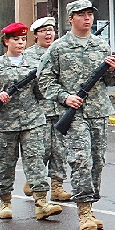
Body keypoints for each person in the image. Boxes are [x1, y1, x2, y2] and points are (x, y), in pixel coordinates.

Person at [38, 0, 115, 230]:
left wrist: (112, 69)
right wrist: (65, 97)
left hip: (98, 111)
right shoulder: (58, 48)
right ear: (70, 18)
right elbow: (45, 81)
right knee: (80, 160)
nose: (87, 18)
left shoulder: (101, 46)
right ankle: (83, 212)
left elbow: (111, 82)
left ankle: (91, 206)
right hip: (74, 115)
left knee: (97, 161)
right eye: (81, 14)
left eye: (90, 14)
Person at [0, 23, 62, 221]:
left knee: (35, 162)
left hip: (32, 121)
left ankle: (41, 201)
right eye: (16, 39)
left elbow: (42, 94)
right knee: (5, 163)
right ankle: (5, 201)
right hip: (5, 124)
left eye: (23, 39)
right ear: (6, 41)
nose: (20, 43)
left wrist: (44, 82)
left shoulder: (34, 65)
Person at [22, 16, 72, 202]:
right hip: (39, 109)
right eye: (43, 31)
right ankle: (34, 180)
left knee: (59, 149)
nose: (48, 34)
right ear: (36, 35)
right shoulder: (28, 56)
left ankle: (57, 186)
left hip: (59, 107)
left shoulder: (60, 51)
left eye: (51, 30)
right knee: (41, 148)